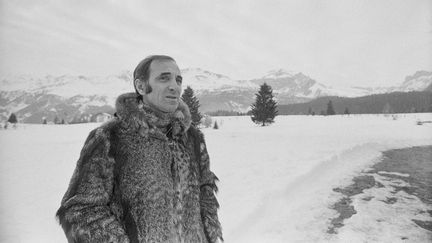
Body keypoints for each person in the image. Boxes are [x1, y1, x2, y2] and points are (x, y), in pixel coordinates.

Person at [56, 55, 223, 243]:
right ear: (141, 86)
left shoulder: (192, 137)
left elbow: (205, 191)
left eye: (178, 80)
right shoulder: (111, 137)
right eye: (164, 78)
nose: (174, 86)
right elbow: (80, 210)